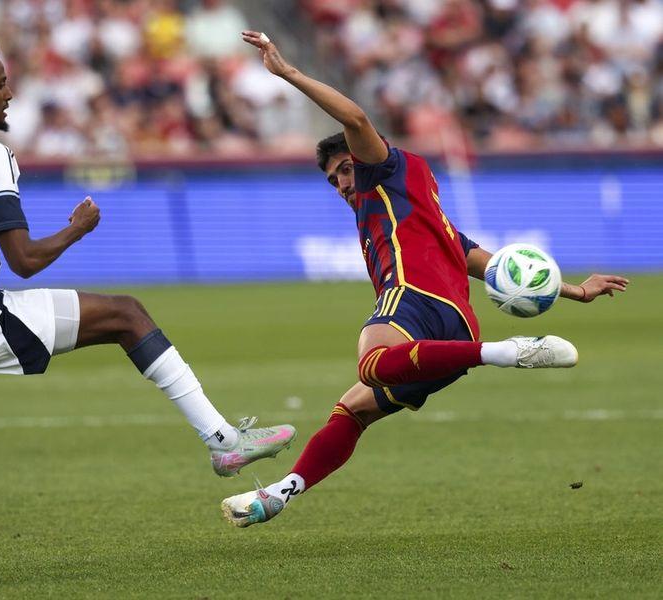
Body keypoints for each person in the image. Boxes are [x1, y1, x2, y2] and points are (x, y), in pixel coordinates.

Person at [0, 35, 295, 583]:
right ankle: (223, 443)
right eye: (1, 83)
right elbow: (24, 260)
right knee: (127, 315)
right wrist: (76, 229)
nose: (9, 93)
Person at [221, 31, 630, 528]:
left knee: (372, 364)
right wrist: (572, 291)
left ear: (363, 156)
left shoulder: (383, 171)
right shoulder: (415, 201)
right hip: (453, 333)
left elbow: (356, 119)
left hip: (414, 299)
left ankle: (505, 352)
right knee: (353, 410)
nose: (342, 184)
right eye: (333, 180)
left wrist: (288, 73)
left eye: (345, 169)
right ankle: (280, 494)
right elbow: (482, 261)